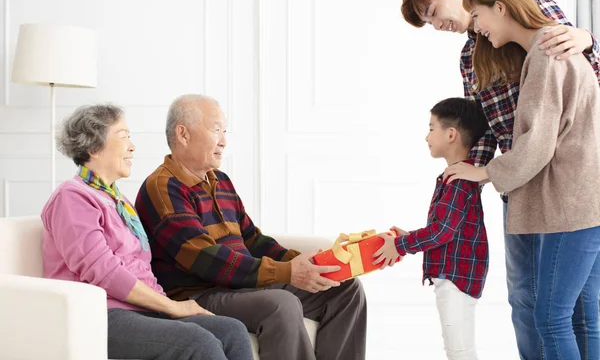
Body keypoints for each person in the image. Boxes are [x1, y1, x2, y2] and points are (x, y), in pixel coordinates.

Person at [401, 0, 600, 359]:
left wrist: (587, 38)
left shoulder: (538, 11)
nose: (436, 25)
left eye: (433, 12)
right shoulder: (468, 57)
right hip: (519, 184)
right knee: (526, 297)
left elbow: (585, 80)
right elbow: (483, 127)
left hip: (566, 182)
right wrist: (469, 175)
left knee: (574, 306)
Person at [135, 94, 367, 360]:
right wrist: (287, 272)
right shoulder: (163, 187)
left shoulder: (220, 181)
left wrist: (305, 264)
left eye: (224, 130)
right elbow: (204, 259)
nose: (223, 140)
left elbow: (252, 239)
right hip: (200, 293)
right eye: (215, 129)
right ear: (183, 134)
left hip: (241, 287)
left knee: (346, 289)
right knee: (280, 304)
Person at [42, 104, 253, 360]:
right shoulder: (72, 197)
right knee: (197, 343)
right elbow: (103, 271)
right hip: (103, 315)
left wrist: (164, 305)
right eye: (123, 136)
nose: (132, 146)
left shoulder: (118, 201)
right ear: (93, 147)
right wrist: (171, 306)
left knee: (232, 329)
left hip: (143, 308)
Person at [373, 98, 489, 360]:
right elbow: (444, 228)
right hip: (454, 275)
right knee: (457, 348)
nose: (426, 136)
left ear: (450, 134)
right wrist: (408, 237)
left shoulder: (458, 181)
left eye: (431, 128)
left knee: (459, 351)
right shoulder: (457, 176)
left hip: (455, 278)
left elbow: (441, 232)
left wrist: (399, 245)